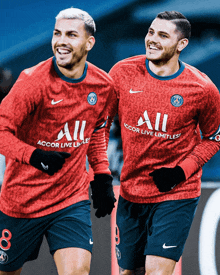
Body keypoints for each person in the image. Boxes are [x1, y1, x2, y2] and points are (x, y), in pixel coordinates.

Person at [0, 7, 116, 275]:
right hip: (22, 202)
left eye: (71, 35)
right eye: (57, 33)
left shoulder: (103, 85)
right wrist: (34, 156)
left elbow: (97, 130)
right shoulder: (32, 82)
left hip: (70, 199)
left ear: (89, 43)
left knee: (77, 271)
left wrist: (101, 175)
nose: (61, 41)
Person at [107, 11, 220, 275]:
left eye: (163, 35)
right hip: (132, 191)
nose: (153, 40)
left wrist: (180, 172)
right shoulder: (122, 73)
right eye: (151, 32)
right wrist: (100, 171)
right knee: (128, 272)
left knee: (157, 271)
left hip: (176, 193)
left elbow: (214, 138)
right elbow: (101, 124)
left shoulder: (202, 88)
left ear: (182, 45)